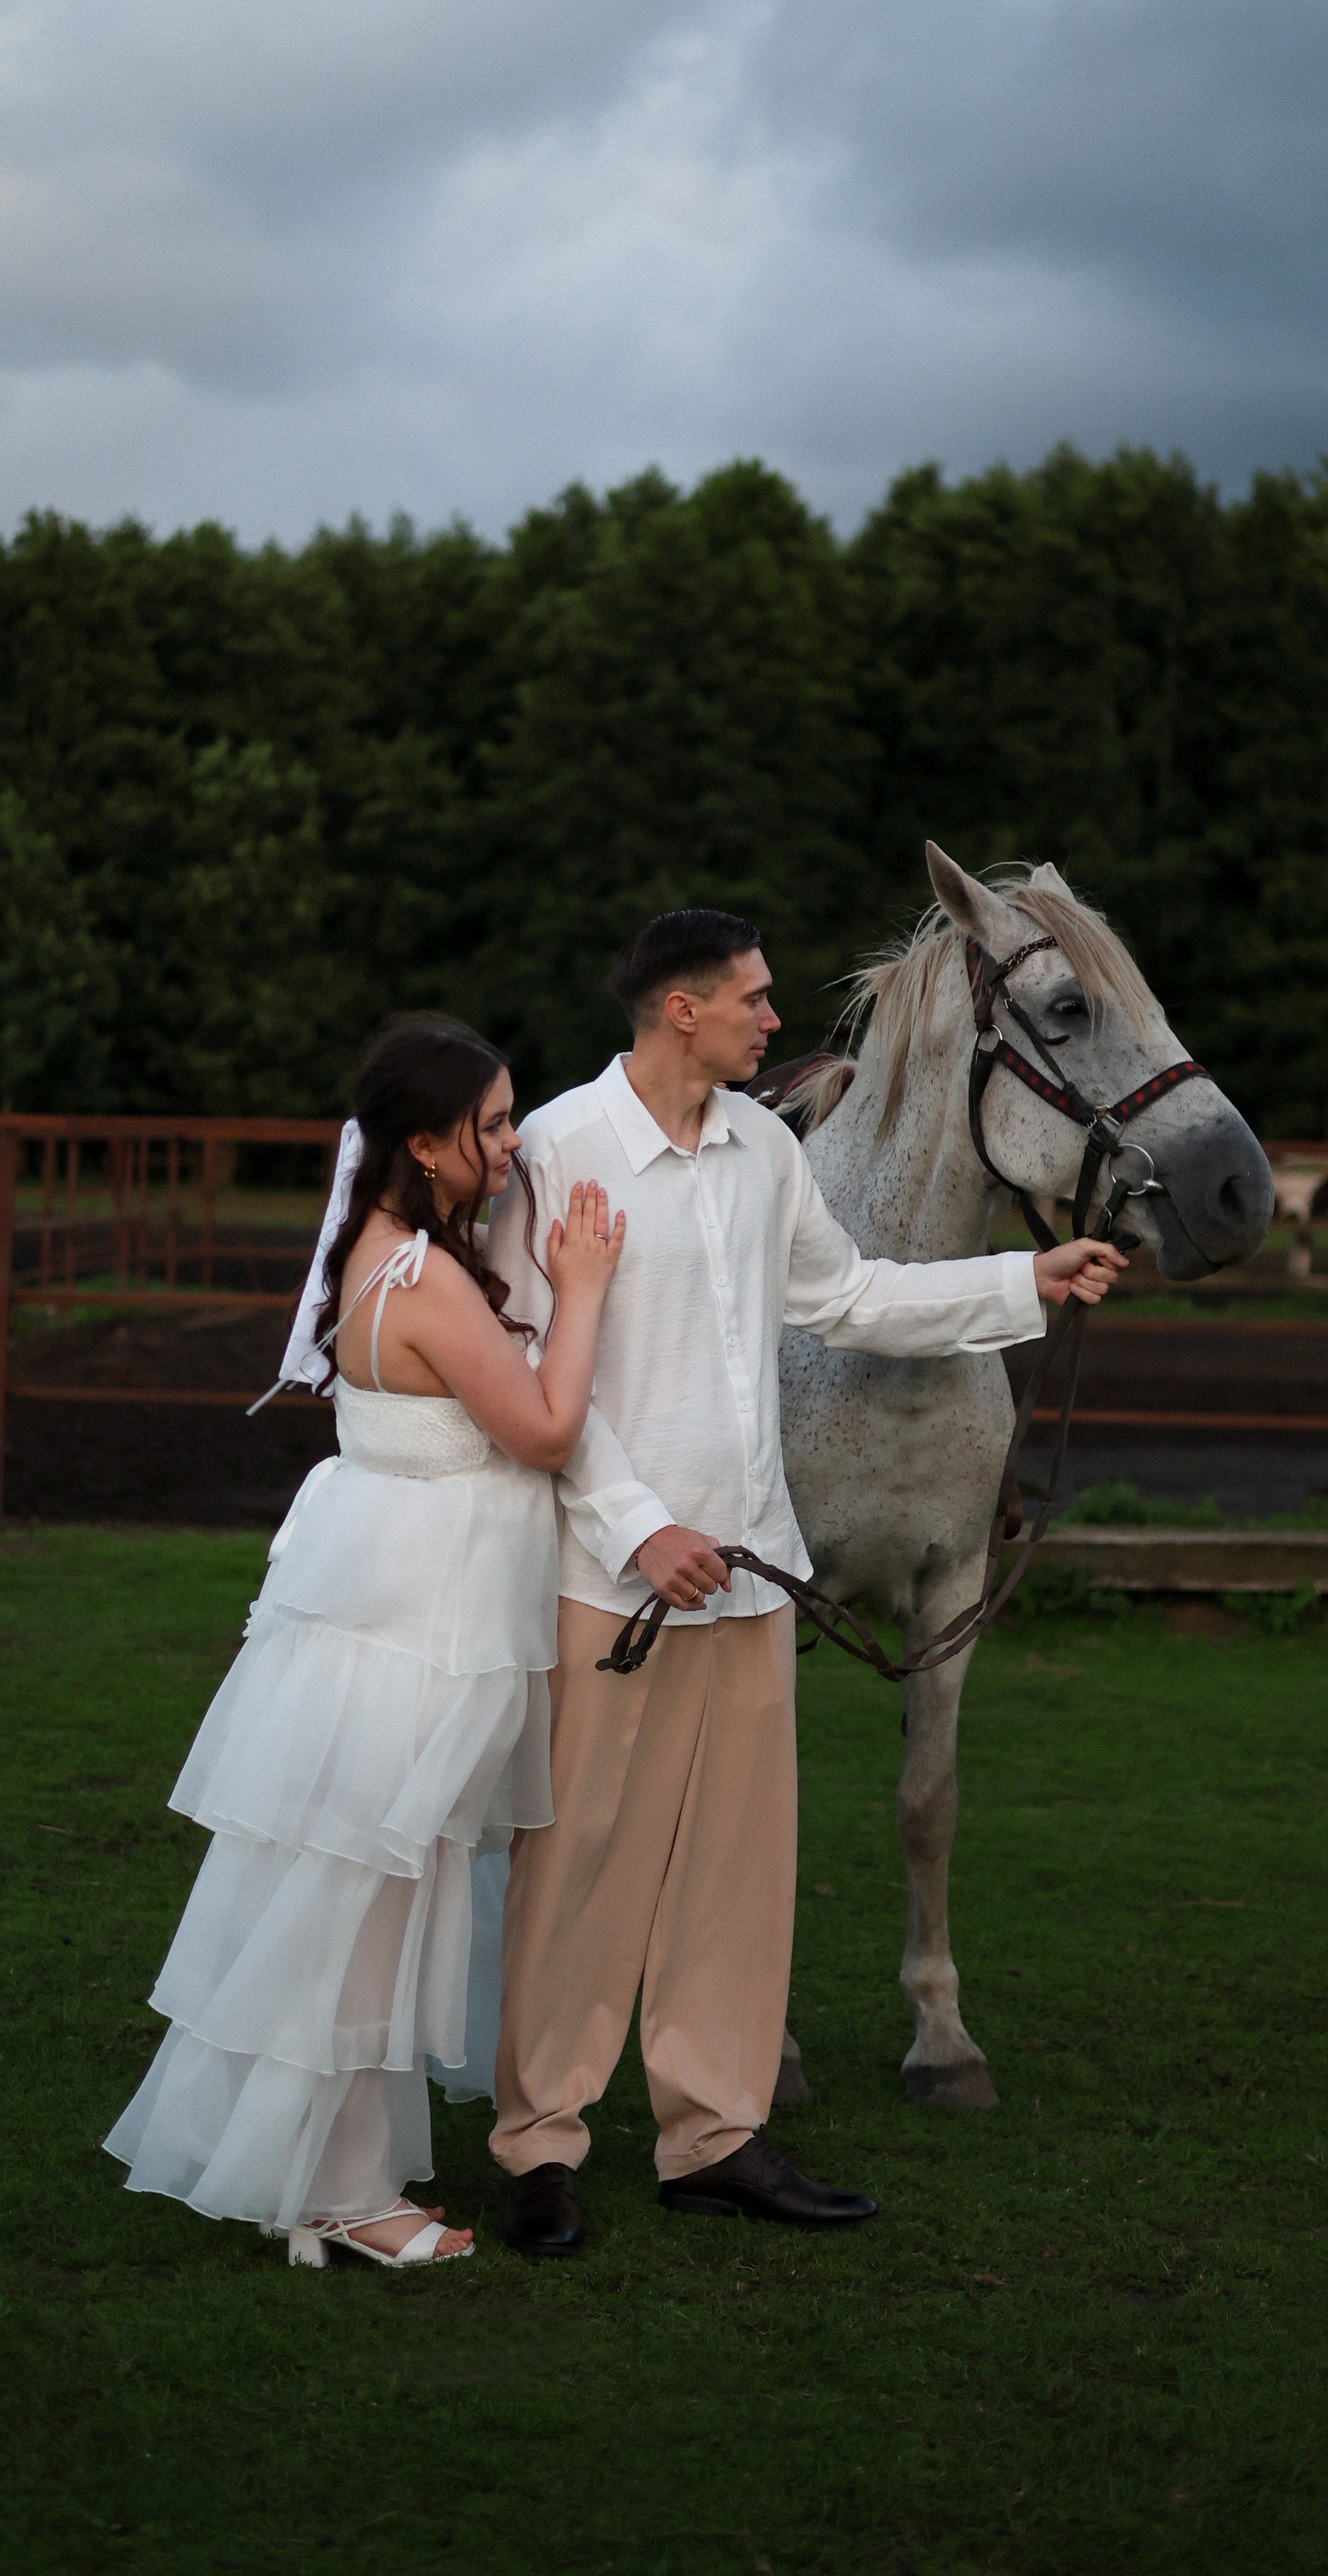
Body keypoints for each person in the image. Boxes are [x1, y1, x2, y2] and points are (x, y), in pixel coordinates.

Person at [484, 912, 1126, 2255]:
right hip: (617, 1580)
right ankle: (540, 2144)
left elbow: (854, 1299)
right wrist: (641, 1524)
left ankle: (712, 2136)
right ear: (680, 1010)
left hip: (755, 1579)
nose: (776, 1023)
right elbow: (541, 1376)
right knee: (581, 1866)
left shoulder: (764, 1149)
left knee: (734, 1877)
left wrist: (1028, 1275)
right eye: (755, 1001)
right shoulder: (556, 1149)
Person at [105, 1015, 625, 2271]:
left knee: (360, 1898)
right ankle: (341, 2198)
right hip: (417, 1628)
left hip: (389, 1608)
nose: (509, 1148)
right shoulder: (425, 1281)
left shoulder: (385, 1252)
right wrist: (589, 1290)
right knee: (370, 1909)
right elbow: (547, 1432)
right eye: (491, 1127)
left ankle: (325, 2173)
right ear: (423, 1144)